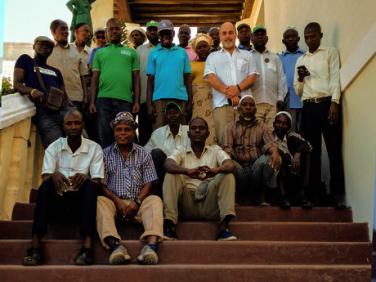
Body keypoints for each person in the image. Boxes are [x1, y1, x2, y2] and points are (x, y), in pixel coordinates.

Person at [23, 109, 103, 266]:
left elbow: (98, 181)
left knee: (91, 186)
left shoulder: (94, 148)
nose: (73, 127)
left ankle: (87, 249)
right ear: (63, 127)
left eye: (77, 123)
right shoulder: (54, 147)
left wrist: (87, 178)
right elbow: (46, 176)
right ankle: (35, 247)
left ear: (83, 125)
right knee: (45, 186)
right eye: (69, 123)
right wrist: (53, 175)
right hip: (58, 203)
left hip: (82, 206)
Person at [96, 112, 163, 265]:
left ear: (134, 132)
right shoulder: (105, 154)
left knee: (155, 200)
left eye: (127, 129)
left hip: (138, 204)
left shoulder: (144, 154)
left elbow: (149, 183)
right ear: (114, 132)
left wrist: (137, 201)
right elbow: (102, 184)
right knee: (100, 201)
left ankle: (151, 247)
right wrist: (117, 201)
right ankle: (116, 247)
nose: (123, 133)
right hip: (115, 203)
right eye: (119, 129)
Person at [294, 22, 346, 209]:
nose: (309, 40)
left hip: (327, 104)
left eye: (312, 36)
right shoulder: (301, 60)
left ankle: (337, 195)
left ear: (320, 35)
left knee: (333, 151)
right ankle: (314, 194)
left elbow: (335, 78)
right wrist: (300, 78)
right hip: (308, 107)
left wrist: (335, 102)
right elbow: (298, 91)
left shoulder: (330, 52)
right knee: (311, 152)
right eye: (306, 37)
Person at [163, 117, 237, 241]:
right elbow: (167, 164)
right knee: (171, 174)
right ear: (188, 133)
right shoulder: (181, 150)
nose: (197, 131)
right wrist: (187, 171)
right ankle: (170, 228)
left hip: (209, 204)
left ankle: (224, 229)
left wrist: (215, 171)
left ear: (207, 134)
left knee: (227, 175)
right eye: (193, 128)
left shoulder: (215, 150)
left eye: (201, 128)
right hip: (186, 205)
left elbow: (230, 165)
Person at [89, 18, 140, 148]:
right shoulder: (99, 53)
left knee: (127, 137)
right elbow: (94, 79)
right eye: (111, 29)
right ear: (107, 32)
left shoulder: (131, 52)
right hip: (103, 100)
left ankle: (128, 167)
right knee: (105, 135)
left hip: (125, 101)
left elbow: (136, 79)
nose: (114, 31)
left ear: (121, 32)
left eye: (117, 28)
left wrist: (137, 101)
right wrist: (92, 102)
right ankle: (108, 166)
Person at [204, 22, 258, 145]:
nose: (227, 36)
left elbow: (253, 76)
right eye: (224, 33)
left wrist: (238, 89)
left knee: (247, 143)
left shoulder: (248, 55)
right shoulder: (212, 57)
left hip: (245, 107)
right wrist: (230, 94)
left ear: (236, 35)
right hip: (222, 106)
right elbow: (210, 77)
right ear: (220, 36)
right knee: (224, 144)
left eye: (230, 33)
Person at [222, 95, 281, 205]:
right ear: (239, 109)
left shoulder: (262, 126)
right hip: (238, 168)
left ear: (255, 109)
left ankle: (261, 196)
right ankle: (236, 197)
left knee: (271, 158)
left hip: (256, 167)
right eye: (244, 105)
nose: (248, 107)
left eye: (251, 105)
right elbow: (227, 150)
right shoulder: (229, 127)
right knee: (226, 162)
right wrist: (229, 162)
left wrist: (275, 152)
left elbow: (271, 144)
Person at [13, 36, 67, 148]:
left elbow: (64, 93)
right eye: (41, 44)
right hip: (44, 112)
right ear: (34, 46)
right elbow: (17, 84)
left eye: (49, 46)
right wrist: (31, 91)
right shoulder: (26, 60)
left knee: (82, 143)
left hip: (63, 110)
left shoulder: (56, 71)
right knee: (56, 149)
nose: (45, 47)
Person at [146, 19, 192, 129]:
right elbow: (150, 81)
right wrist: (149, 105)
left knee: (181, 134)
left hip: (180, 98)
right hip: (159, 100)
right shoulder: (153, 53)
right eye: (162, 33)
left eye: (168, 32)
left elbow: (187, 78)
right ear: (159, 35)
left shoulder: (182, 52)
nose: (165, 35)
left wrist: (190, 102)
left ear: (173, 34)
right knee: (160, 134)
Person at [145, 102, 189, 197]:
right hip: (164, 174)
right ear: (165, 116)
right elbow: (145, 153)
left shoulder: (189, 131)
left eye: (175, 112)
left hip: (186, 172)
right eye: (169, 113)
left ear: (181, 114)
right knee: (156, 153)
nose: (172, 115)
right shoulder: (157, 133)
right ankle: (157, 194)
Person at [273, 111, 313, 209]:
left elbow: (309, 145)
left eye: (284, 123)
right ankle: (282, 197)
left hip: (293, 172)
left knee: (306, 155)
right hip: (275, 172)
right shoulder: (269, 135)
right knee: (281, 155)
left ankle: (303, 195)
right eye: (278, 122)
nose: (281, 125)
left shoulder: (292, 135)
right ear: (274, 124)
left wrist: (298, 153)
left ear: (289, 126)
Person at [250, 25, 287, 129]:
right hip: (255, 105)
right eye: (257, 35)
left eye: (262, 35)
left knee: (271, 136)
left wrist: (280, 98)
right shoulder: (247, 57)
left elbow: (281, 79)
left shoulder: (275, 57)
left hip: (272, 104)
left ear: (266, 38)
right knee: (256, 136)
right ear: (252, 38)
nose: (260, 37)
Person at [48, 19, 87, 111]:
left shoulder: (75, 49)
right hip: (54, 100)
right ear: (53, 32)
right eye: (63, 29)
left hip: (76, 99)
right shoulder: (47, 50)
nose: (66, 32)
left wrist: (85, 97)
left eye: (67, 29)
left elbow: (82, 76)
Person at [190, 33, 217, 144]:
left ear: (209, 47)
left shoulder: (216, 62)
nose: (202, 49)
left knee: (213, 127)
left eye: (204, 46)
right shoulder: (191, 64)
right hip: (198, 100)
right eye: (199, 47)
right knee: (198, 127)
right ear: (195, 50)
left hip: (214, 99)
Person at [137, 20, 159, 145]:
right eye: (150, 30)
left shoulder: (165, 49)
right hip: (144, 99)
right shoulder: (139, 50)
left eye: (155, 29)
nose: (152, 32)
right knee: (144, 135)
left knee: (160, 134)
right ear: (146, 32)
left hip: (161, 98)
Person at [279, 27, 305, 133]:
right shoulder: (279, 58)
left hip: (304, 100)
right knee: (290, 133)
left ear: (298, 38)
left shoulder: (305, 55)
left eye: (293, 36)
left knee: (305, 132)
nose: (290, 39)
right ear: (283, 41)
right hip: (288, 102)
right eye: (287, 37)